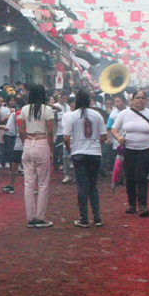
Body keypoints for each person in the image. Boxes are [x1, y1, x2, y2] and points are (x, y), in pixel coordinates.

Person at [110, 90, 149, 217]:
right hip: (129, 150)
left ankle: (143, 206)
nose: (140, 100)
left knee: (142, 177)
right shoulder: (124, 114)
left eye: (143, 98)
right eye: (138, 98)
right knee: (130, 177)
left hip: (145, 150)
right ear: (132, 100)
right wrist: (118, 138)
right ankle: (132, 205)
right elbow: (113, 129)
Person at [63, 89, 107, 227]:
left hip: (79, 153)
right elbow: (104, 136)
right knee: (93, 186)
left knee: (82, 187)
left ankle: (84, 219)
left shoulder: (71, 116)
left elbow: (66, 138)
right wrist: (95, 145)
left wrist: (72, 150)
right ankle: (97, 217)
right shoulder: (97, 115)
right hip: (94, 154)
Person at [19, 84, 55, 228]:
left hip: (28, 143)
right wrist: (51, 150)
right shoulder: (47, 110)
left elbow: (21, 130)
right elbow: (50, 132)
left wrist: (25, 143)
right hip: (41, 143)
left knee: (28, 183)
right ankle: (40, 217)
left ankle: (30, 217)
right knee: (43, 183)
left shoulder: (24, 109)